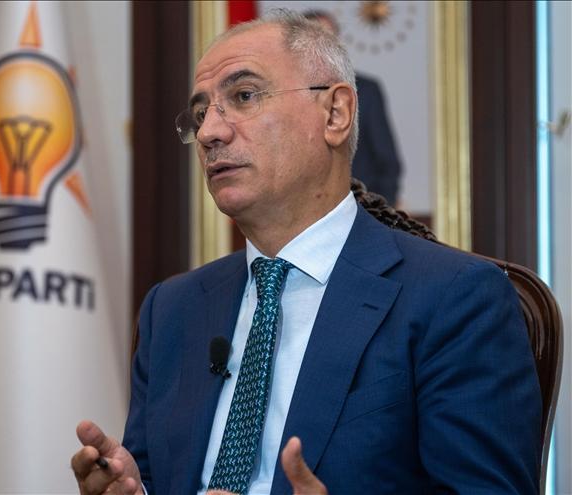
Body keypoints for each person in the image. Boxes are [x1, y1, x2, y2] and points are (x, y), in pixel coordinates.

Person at [72, 8, 540, 494]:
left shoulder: (454, 298)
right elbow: (152, 476)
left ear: (335, 114)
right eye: (201, 113)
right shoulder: (171, 310)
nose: (210, 132)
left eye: (244, 96)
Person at [304, 9, 403, 205]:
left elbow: (387, 163)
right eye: (313, 42)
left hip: (358, 205)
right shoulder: (285, 92)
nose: (323, 49)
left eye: (329, 40)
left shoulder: (366, 90)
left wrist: (379, 211)